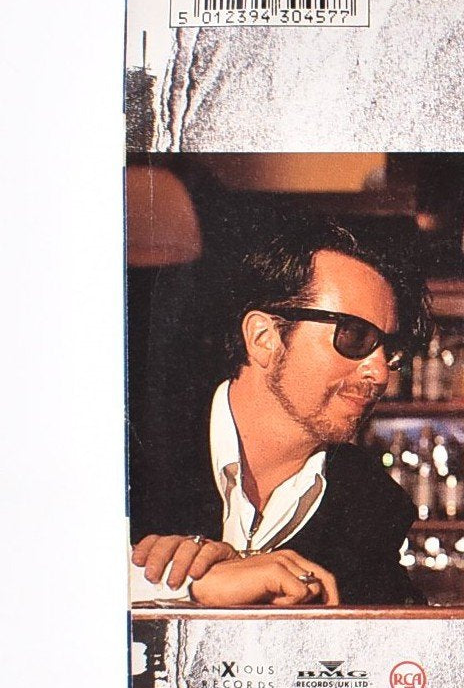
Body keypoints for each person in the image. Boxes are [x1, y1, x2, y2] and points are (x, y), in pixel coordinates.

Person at [129, 220, 430, 606]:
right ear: (264, 339)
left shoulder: (372, 503)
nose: (381, 372)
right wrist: (191, 587)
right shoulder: (131, 445)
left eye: (391, 351)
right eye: (354, 336)